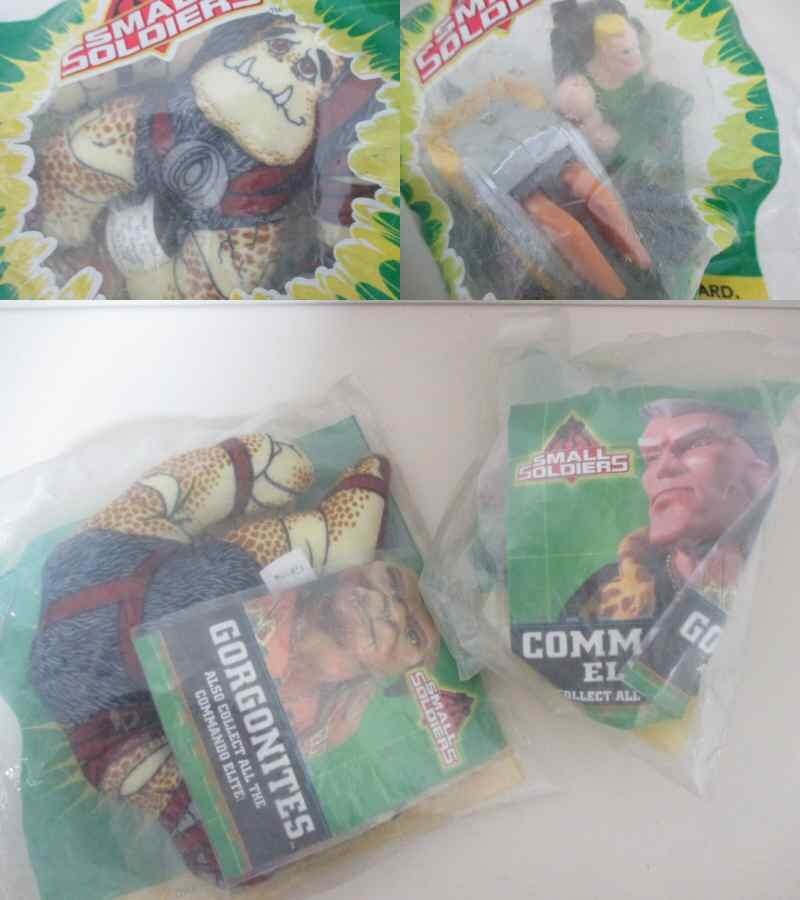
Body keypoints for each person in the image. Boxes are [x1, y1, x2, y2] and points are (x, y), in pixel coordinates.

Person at [29, 433, 394, 880]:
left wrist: (242, 468)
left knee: (212, 564)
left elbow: (166, 493)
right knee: (213, 570)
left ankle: (321, 537)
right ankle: (321, 538)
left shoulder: (322, 709)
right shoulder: (313, 701)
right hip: (120, 688)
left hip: (116, 664)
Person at [562, 398, 778, 623]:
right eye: (652, 457)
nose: (662, 468)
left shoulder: (785, 581)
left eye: (695, 444)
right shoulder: (602, 595)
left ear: (761, 474)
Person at [244, 561, 441, 757]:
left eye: (413, 636)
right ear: (351, 573)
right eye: (393, 582)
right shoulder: (268, 599)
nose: (395, 611)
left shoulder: (328, 723)